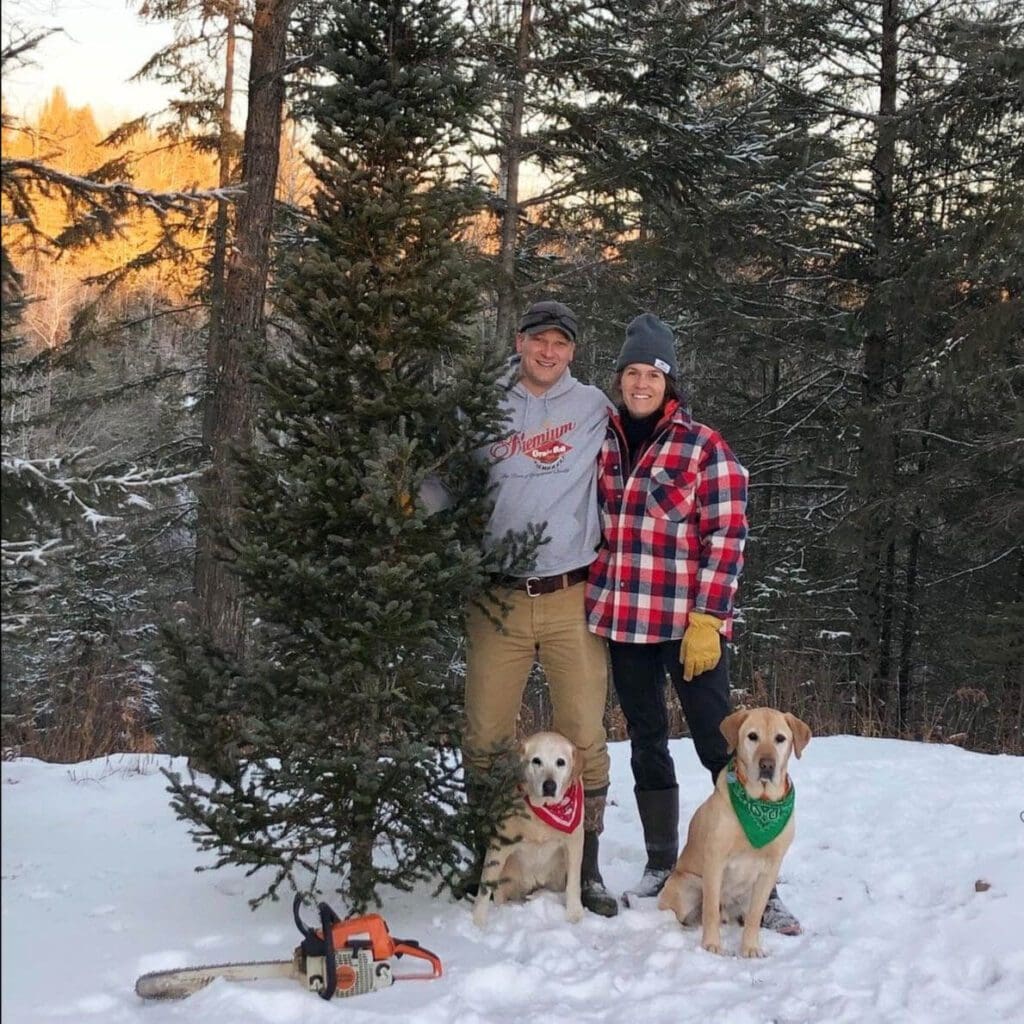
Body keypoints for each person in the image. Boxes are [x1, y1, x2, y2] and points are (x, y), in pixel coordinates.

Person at [585, 313, 801, 934]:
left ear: (668, 381)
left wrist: (710, 616)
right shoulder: (605, 443)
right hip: (625, 620)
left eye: (651, 373)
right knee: (647, 738)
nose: (640, 383)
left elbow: (728, 534)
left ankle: (762, 875)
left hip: (687, 627)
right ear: (621, 379)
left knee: (720, 741)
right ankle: (664, 863)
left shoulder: (705, 447)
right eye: (631, 372)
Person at [462, 299, 619, 918]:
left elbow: (644, 441)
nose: (548, 352)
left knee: (583, 733)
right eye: (537, 340)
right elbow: (450, 476)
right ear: (519, 342)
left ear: (572, 351)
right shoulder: (485, 403)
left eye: (560, 342)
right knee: (485, 735)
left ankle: (590, 867)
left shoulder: (592, 408)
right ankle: (490, 858)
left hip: (569, 595)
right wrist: (402, 501)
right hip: (495, 598)